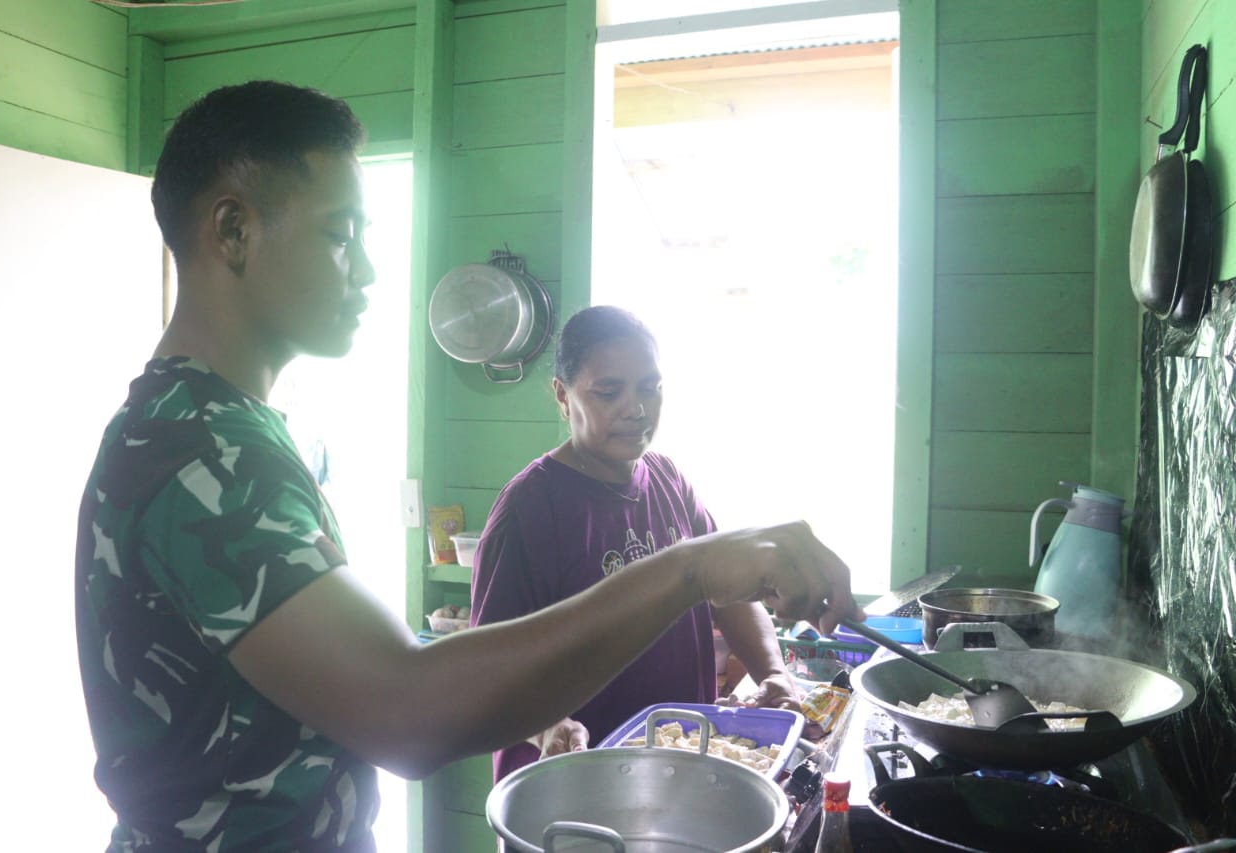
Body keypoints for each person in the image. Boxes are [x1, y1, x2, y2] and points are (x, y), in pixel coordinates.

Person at [74, 79, 864, 853]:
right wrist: (690, 569)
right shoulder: (203, 450)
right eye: (341, 234)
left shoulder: (228, 428)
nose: (367, 270)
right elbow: (407, 709)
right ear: (233, 230)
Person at [470, 306, 801, 782]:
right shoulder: (530, 509)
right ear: (562, 395)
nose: (636, 408)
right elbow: (484, 676)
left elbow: (731, 594)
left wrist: (772, 672)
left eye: (650, 388)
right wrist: (547, 726)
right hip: (574, 781)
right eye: (609, 392)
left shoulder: (669, 481)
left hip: (678, 769)